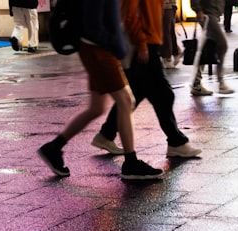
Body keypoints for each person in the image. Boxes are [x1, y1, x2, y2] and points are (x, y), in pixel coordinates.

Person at [38, 0, 163, 180]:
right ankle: (131, 162)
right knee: (126, 100)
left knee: (97, 107)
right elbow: (93, 26)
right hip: (98, 49)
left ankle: (53, 148)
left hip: (98, 47)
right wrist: (117, 46)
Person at [91, 0, 203, 159]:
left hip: (150, 42)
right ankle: (176, 143)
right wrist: (142, 44)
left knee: (136, 94)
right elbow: (129, 15)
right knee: (164, 95)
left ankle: (106, 134)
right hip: (145, 45)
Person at [189, 0, 232, 95]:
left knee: (206, 48)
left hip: (213, 13)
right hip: (207, 15)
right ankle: (220, 83)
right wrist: (198, 10)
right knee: (222, 45)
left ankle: (196, 83)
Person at [161, 0, 181, 67]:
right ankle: (175, 51)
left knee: (166, 32)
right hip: (167, 6)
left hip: (167, 6)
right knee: (168, 31)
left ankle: (168, 57)